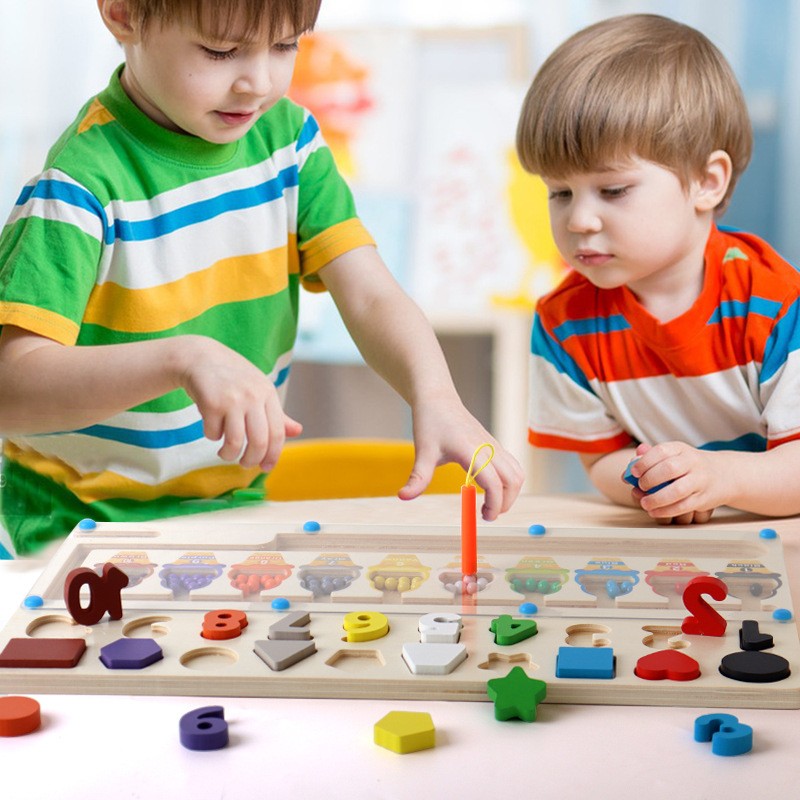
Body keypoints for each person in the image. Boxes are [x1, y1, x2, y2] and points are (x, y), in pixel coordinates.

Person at [0, 0, 524, 555]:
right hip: (72, 533)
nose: (259, 82)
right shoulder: (76, 187)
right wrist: (184, 358)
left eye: (285, 45)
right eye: (221, 51)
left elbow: (369, 294)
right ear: (123, 15)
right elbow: (13, 387)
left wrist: (435, 393)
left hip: (227, 516)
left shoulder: (288, 143)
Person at [518, 13, 800, 524]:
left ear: (706, 183)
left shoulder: (776, 303)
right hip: (682, 551)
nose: (579, 219)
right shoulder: (564, 322)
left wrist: (720, 477)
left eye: (613, 190)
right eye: (559, 192)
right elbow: (603, 459)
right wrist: (659, 487)